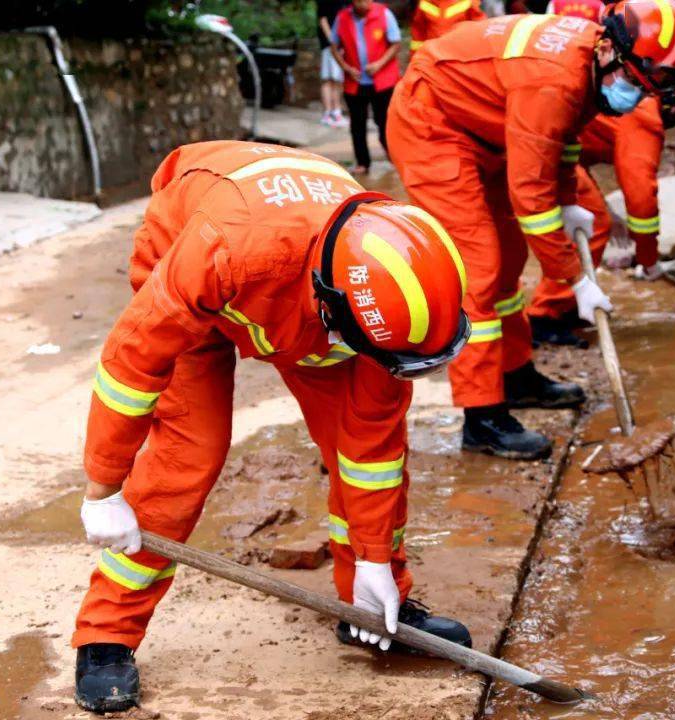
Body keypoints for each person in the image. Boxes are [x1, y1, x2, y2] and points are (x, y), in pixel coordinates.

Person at [72, 141, 474, 714]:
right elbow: (132, 362)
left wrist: (375, 564)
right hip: (202, 261)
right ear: (334, 310)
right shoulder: (222, 247)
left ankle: (368, 606)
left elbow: (372, 451)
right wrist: (103, 489)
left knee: (359, 446)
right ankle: (106, 633)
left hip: (306, 297)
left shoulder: (394, 296)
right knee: (189, 456)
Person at [387, 1, 675, 459]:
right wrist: (577, 279)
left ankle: (515, 373)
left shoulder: (592, 66)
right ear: (608, 46)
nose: (631, 93)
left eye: (643, 88)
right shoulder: (554, 78)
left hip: (485, 128)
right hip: (433, 127)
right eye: (630, 78)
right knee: (481, 268)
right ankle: (482, 416)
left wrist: (568, 199)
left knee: (509, 258)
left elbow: (564, 139)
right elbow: (531, 200)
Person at [527, 60, 675, 346]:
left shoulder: (639, 104)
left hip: (552, 141)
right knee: (596, 223)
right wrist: (649, 258)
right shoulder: (646, 119)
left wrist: (610, 211)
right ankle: (546, 314)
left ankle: (566, 305)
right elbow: (641, 199)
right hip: (545, 143)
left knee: (599, 218)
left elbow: (583, 160)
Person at [330, 0, 402, 174]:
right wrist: (346, 67)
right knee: (357, 125)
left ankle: (395, 158)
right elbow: (333, 46)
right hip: (355, 82)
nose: (368, 2)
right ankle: (362, 163)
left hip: (383, 80)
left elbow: (396, 43)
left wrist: (379, 64)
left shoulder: (384, 14)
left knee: (385, 122)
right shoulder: (342, 18)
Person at [317, 0, 348, 127]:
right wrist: (333, 40)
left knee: (334, 80)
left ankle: (333, 113)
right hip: (331, 46)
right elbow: (322, 19)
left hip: (336, 45)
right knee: (331, 80)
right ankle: (332, 113)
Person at [410, 0, 486, 51]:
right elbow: (418, 33)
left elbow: (481, 31)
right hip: (433, 58)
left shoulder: (468, 2)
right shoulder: (425, 2)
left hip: (461, 58)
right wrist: (417, 59)